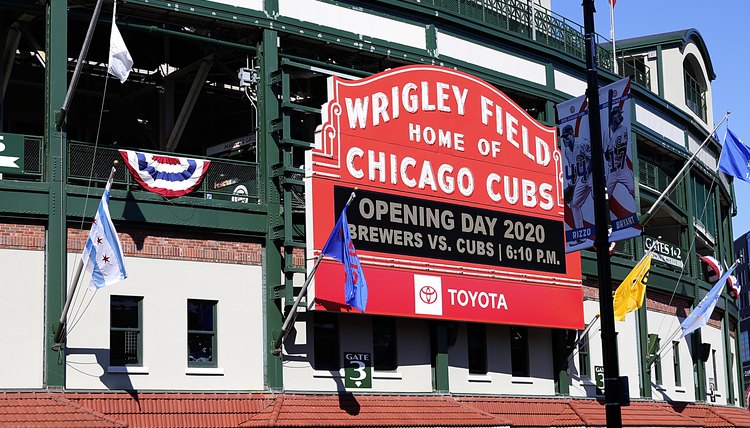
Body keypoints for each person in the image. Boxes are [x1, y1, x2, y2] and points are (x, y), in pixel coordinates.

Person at [561, 124, 592, 239]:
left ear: (572, 134)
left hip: (592, 175)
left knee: (596, 200)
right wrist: (572, 185)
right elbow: (573, 169)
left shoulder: (582, 143)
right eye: (563, 137)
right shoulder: (567, 151)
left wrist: (588, 170)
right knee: (574, 205)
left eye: (566, 136)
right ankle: (581, 235)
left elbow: (594, 158)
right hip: (582, 178)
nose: (564, 139)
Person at [604, 105, 634, 196]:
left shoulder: (623, 129)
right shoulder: (606, 133)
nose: (620, 117)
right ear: (612, 117)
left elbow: (621, 150)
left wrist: (611, 146)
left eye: (620, 114)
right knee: (605, 195)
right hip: (612, 171)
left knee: (633, 189)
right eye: (617, 115)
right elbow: (606, 156)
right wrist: (607, 150)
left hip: (622, 169)